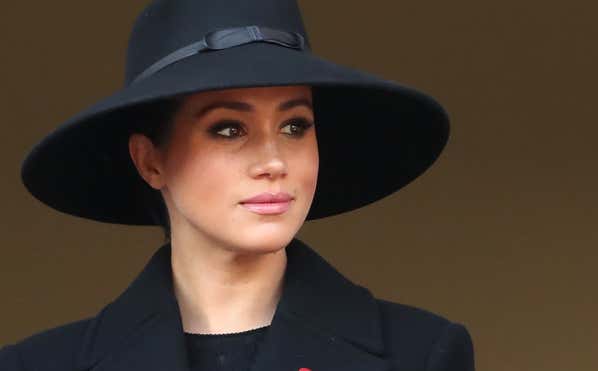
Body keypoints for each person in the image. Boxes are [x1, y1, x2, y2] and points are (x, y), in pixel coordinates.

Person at [1, 0, 475, 370]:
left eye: (295, 126)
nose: (273, 161)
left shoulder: (422, 354)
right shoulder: (36, 365)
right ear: (150, 161)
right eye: (228, 129)